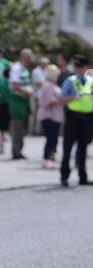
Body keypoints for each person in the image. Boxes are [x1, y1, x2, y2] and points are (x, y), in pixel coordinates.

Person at [60, 55, 93, 186]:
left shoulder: (91, 81)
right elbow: (61, 98)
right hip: (73, 117)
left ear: (86, 68)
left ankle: (82, 177)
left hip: (88, 118)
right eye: (77, 66)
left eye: (81, 67)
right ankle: (64, 176)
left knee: (83, 149)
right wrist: (72, 97)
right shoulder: (70, 80)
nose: (78, 69)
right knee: (67, 148)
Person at [37, 64, 65, 168]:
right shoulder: (48, 85)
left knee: (54, 139)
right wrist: (64, 100)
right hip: (49, 116)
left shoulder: (52, 85)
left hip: (54, 117)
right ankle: (47, 158)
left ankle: (51, 157)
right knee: (51, 138)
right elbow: (48, 101)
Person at [9, 48, 34, 160]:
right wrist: (27, 91)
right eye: (29, 57)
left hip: (24, 102)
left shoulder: (25, 69)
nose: (31, 60)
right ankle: (16, 151)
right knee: (17, 127)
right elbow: (14, 86)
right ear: (24, 57)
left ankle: (19, 150)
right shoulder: (17, 68)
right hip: (17, 101)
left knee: (24, 128)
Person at [31, 57, 49, 135]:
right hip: (38, 95)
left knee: (44, 113)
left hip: (46, 95)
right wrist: (48, 85)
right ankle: (34, 130)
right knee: (35, 113)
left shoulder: (48, 71)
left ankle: (41, 130)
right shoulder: (35, 71)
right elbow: (37, 83)